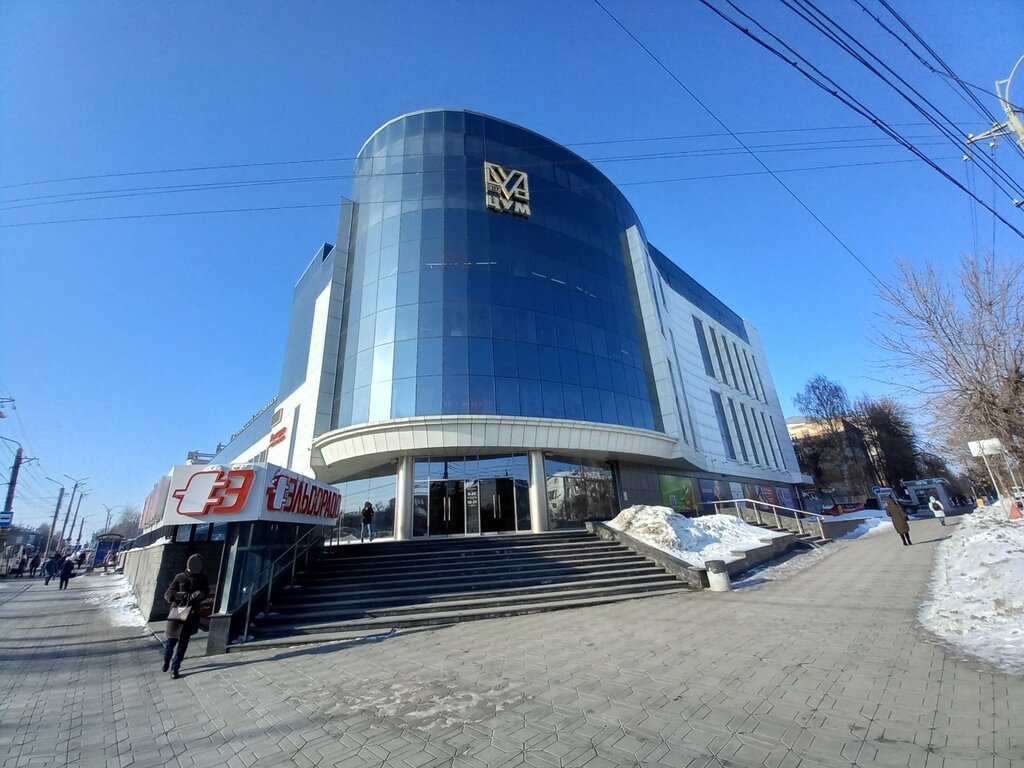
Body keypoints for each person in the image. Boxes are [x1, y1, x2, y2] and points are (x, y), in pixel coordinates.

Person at [162, 554, 211, 679]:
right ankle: (166, 660)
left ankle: (175, 668)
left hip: (192, 614)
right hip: (178, 611)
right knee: (171, 642)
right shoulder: (180, 577)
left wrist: (200, 595)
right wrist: (182, 595)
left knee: (183, 644)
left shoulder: (202, 578)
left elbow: (206, 592)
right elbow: (168, 594)